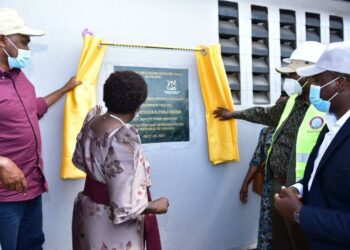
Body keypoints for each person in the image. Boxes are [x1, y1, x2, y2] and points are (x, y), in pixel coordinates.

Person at [213, 41, 326, 250]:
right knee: (280, 240)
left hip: (302, 189)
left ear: (310, 75)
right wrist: (234, 114)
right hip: (277, 183)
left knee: (301, 241)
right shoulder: (291, 101)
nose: (289, 79)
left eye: (292, 74)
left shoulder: (326, 108)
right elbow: (266, 114)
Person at [0, 8, 80, 250]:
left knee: (33, 245)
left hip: (31, 186)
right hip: (5, 196)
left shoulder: (18, 76)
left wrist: (65, 89)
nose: (27, 48)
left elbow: (33, 108)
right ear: (2, 39)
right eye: (23, 41)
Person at [72, 71, 169, 250]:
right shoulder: (122, 137)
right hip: (109, 223)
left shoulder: (93, 121)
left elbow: (78, 161)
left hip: (88, 212)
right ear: (138, 106)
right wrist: (155, 206)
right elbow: (125, 207)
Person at [274, 41, 350, 250]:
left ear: (340, 83)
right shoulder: (332, 124)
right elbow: (322, 174)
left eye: (317, 80)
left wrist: (299, 213)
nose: (312, 86)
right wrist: (298, 188)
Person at [239, 95, 286, 250]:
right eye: (277, 107)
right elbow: (257, 159)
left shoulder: (298, 130)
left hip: (291, 188)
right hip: (269, 187)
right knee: (267, 228)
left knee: (288, 230)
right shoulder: (266, 131)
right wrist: (245, 184)